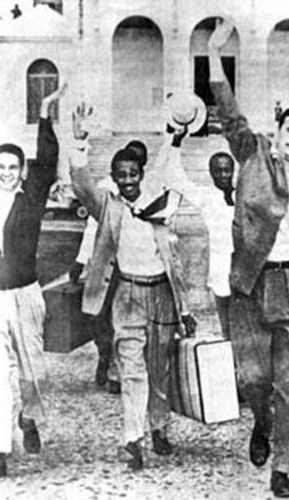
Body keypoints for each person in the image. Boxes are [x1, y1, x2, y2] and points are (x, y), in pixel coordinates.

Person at [207, 19, 289, 498]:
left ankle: (283, 466)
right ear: (276, 132)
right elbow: (229, 110)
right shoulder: (253, 155)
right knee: (254, 377)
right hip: (253, 285)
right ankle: (261, 421)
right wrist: (217, 54)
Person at [69, 105, 196, 470]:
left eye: (133, 173)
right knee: (131, 370)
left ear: (142, 174)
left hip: (161, 298)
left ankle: (158, 427)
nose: (127, 180)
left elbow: (176, 266)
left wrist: (184, 310)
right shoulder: (108, 208)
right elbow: (80, 185)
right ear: (113, 177)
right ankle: (132, 439)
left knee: (159, 369)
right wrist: (79, 142)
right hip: (126, 296)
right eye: (121, 174)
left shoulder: (158, 205)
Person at [0, 84, 67, 483]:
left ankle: (29, 415)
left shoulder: (32, 197)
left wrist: (44, 114)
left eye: (13, 167)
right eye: (0, 167)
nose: (6, 173)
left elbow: (50, 157)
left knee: (35, 373)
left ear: (22, 172)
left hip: (26, 296)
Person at [69, 141, 149, 394]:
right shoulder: (104, 192)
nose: (128, 178)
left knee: (127, 322)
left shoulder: (148, 194)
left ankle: (118, 369)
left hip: (134, 269)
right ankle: (106, 356)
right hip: (106, 266)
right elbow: (92, 229)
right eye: (122, 173)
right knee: (101, 320)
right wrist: (81, 261)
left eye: (135, 168)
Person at [161, 142, 236, 339]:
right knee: (229, 330)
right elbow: (175, 178)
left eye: (227, 170)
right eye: (218, 171)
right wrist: (175, 144)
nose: (223, 175)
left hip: (247, 275)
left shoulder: (244, 194)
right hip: (222, 274)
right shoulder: (206, 197)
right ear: (211, 173)